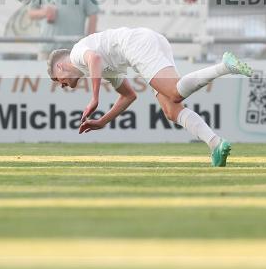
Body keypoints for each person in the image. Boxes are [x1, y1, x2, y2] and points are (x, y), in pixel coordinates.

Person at [47, 27, 253, 167]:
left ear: (60, 66)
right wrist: (102, 121)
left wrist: (95, 98)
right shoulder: (100, 66)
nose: (63, 85)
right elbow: (129, 96)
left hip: (137, 45)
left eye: (59, 80)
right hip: (150, 40)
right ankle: (216, 144)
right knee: (171, 110)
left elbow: (95, 58)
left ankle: (224, 66)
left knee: (173, 91)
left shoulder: (76, 54)